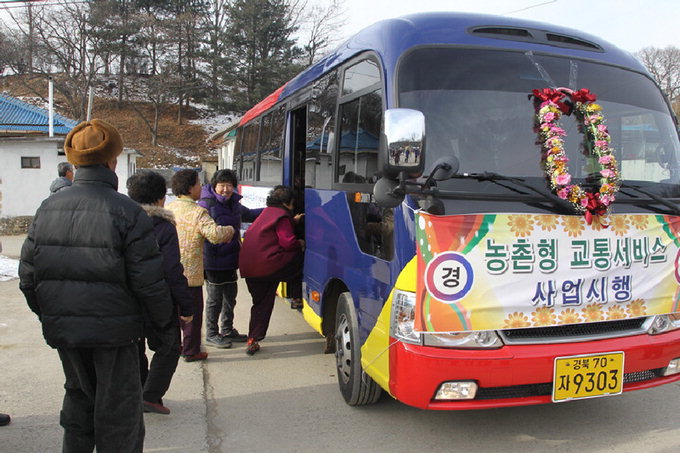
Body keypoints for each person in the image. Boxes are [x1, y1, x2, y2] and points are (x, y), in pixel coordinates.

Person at [19, 119, 174, 452]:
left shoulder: (47, 208)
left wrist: (53, 316)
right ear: (112, 161)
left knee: (78, 404)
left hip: (67, 333)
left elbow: (28, 277)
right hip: (116, 335)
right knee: (119, 417)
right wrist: (163, 329)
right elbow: (149, 282)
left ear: (74, 162)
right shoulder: (128, 212)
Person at [127, 170, 194, 415]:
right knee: (169, 346)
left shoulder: (121, 220)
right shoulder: (162, 226)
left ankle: (141, 392)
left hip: (126, 299)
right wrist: (186, 306)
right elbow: (171, 270)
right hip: (157, 299)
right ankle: (151, 394)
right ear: (159, 198)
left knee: (135, 346)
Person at [167, 169, 235, 358]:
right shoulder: (198, 212)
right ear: (190, 188)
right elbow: (214, 235)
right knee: (192, 316)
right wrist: (229, 230)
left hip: (170, 272)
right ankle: (191, 351)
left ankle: (176, 348)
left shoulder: (170, 208)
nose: (201, 187)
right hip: (190, 274)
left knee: (174, 315)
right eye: (198, 183)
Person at [198, 169, 262, 347]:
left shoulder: (233, 204)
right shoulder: (206, 205)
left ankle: (227, 329)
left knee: (230, 296)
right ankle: (211, 333)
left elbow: (250, 214)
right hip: (213, 260)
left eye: (229, 185)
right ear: (214, 186)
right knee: (215, 299)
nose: (226, 189)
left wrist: (274, 208)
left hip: (231, 258)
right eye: (222, 185)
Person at [239, 185, 304, 356]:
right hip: (268, 266)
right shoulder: (282, 216)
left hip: (249, 267)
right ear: (287, 202)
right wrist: (300, 243)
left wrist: (292, 222)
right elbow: (288, 242)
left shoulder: (266, 213)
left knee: (261, 303)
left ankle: (253, 338)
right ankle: (297, 297)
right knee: (299, 261)